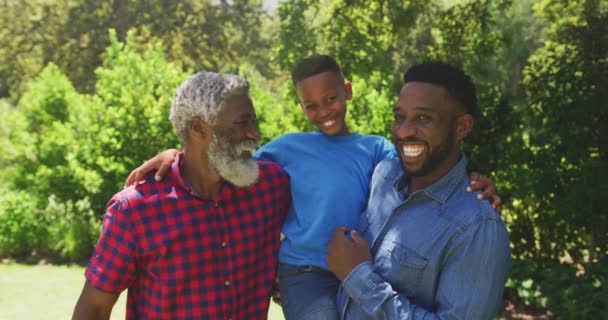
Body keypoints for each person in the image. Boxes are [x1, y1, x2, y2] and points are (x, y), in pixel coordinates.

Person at [125, 55, 501, 320]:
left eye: (331, 99)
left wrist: (471, 183)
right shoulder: (295, 149)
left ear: (348, 91)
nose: (323, 111)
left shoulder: (379, 155)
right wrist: (178, 155)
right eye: (312, 105)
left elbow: (432, 170)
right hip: (304, 272)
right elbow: (228, 161)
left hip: (349, 277)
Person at [71, 71, 291, 320]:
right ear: (198, 127)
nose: (254, 134)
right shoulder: (136, 209)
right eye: (242, 123)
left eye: (253, 121)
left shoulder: (271, 186)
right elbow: (94, 310)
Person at [326, 62, 511, 319]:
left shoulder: (477, 226)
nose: (403, 131)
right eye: (399, 117)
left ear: (462, 127)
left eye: (423, 118)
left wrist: (357, 276)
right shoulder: (383, 174)